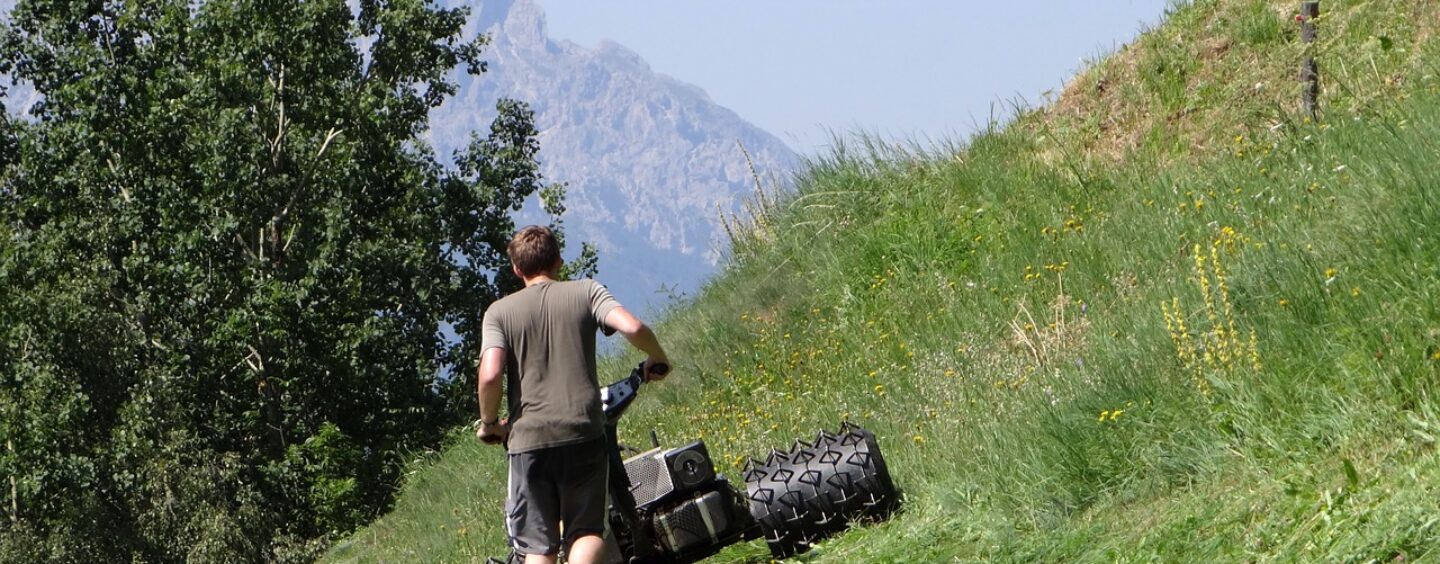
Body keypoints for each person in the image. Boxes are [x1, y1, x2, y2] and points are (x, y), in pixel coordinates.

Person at [476, 225, 669, 564]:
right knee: (587, 533)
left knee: (537, 546)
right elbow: (633, 327)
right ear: (559, 261)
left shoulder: (498, 312)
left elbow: (490, 374)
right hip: (583, 432)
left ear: (517, 269)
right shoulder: (587, 291)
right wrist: (658, 358)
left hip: (527, 441)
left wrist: (490, 424)